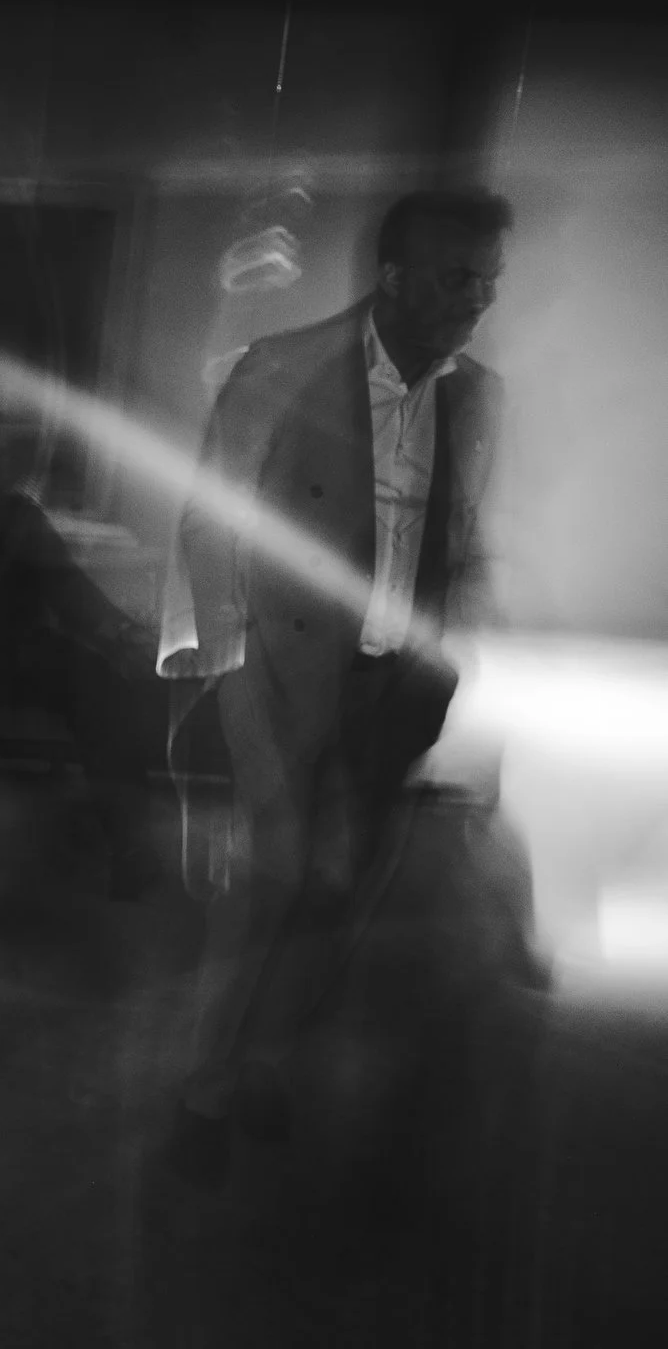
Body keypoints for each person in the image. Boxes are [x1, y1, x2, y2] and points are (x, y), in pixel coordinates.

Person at [160, 189, 508, 1187]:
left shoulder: (477, 394)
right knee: (266, 886)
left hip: (395, 688)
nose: (477, 299)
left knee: (343, 889)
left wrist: (458, 645)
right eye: (458, 276)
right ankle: (203, 1086)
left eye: (487, 280)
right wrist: (230, 666)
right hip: (280, 675)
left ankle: (267, 1057)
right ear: (394, 277)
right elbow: (211, 518)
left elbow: (456, 532)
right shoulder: (284, 366)